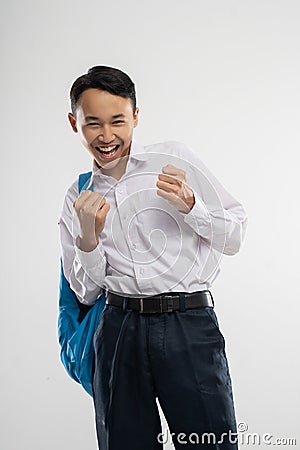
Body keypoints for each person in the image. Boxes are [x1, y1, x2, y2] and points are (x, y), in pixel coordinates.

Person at [58, 65, 248, 450]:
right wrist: (88, 239)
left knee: (211, 443)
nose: (107, 136)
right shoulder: (77, 196)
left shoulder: (174, 161)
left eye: (118, 121)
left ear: (136, 117)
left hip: (188, 325)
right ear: (74, 123)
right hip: (117, 330)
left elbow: (235, 237)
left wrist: (192, 205)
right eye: (93, 123)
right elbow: (87, 293)